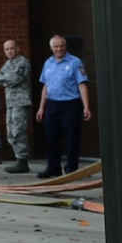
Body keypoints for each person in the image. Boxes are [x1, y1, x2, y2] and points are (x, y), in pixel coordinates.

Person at [36, 34, 91, 179]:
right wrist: (42, 107)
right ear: (51, 48)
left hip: (70, 104)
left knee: (72, 138)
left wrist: (86, 106)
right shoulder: (48, 63)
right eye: (56, 46)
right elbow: (46, 86)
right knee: (51, 138)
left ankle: (72, 169)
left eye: (61, 46)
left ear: (65, 47)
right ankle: (53, 168)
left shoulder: (75, 62)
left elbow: (82, 85)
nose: (59, 49)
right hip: (53, 104)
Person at [0, 39, 34, 174]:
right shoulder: (8, 63)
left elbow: (15, 80)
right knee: (11, 132)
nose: (9, 51)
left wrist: (5, 79)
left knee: (19, 131)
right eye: (6, 49)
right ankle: (18, 158)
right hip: (11, 103)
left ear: (17, 48)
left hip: (21, 102)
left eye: (11, 48)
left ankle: (22, 161)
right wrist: (6, 78)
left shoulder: (22, 62)